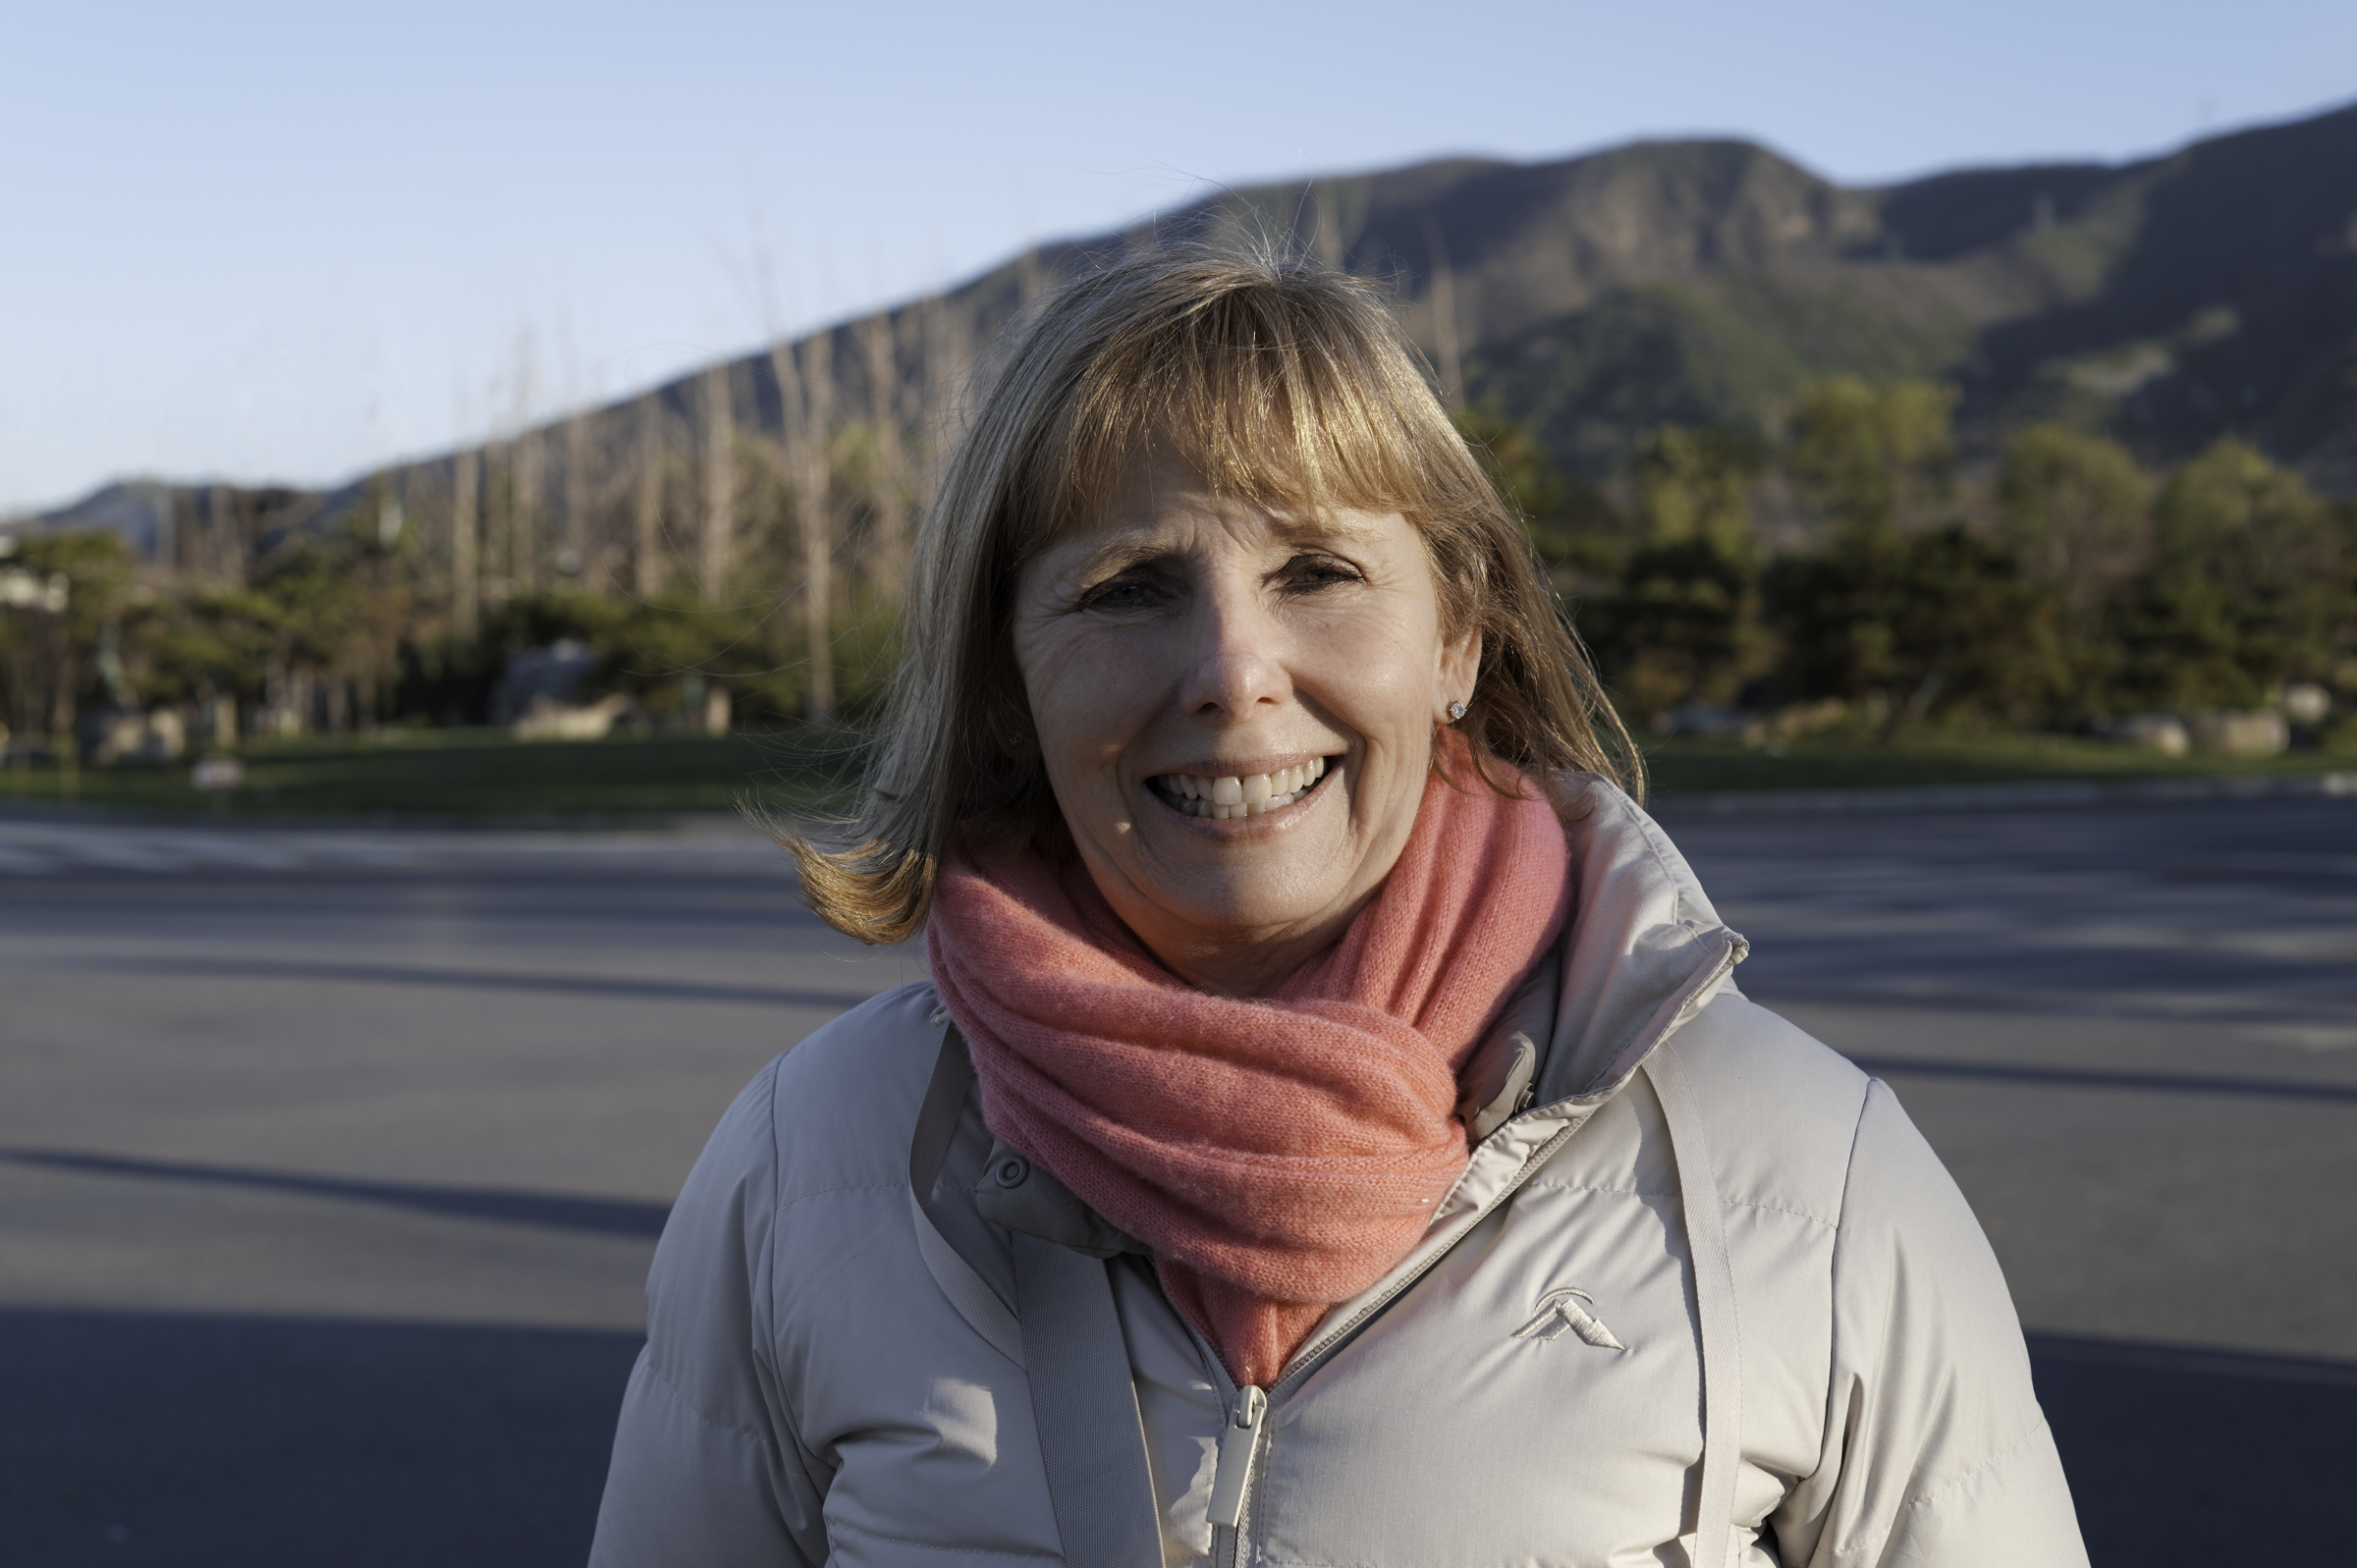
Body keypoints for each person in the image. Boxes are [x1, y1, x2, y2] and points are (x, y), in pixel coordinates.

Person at [587, 243, 2088, 1567]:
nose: (1233, 672)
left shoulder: (1806, 1174)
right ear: (1004, 676)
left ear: (1459, 639)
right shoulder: (808, 1162)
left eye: (1316, 569)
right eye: (1128, 586)